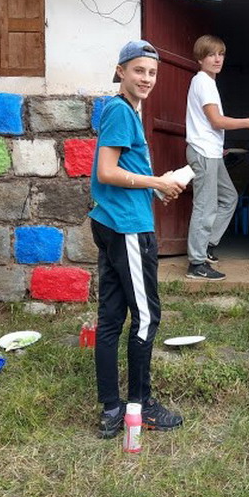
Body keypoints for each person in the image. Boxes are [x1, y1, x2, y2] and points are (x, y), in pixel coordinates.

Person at [90, 40, 185, 438]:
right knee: (146, 317)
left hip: (112, 220)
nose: (147, 78)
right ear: (121, 71)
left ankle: (112, 409)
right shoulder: (119, 111)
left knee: (111, 317)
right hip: (127, 227)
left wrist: (156, 188)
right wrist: (156, 182)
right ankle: (140, 404)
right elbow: (107, 171)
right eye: (139, 70)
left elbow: (123, 168)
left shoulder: (124, 110)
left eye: (152, 72)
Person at [184, 34, 249, 281]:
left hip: (210, 151)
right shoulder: (203, 82)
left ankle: (208, 245)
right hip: (203, 152)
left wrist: (218, 145)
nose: (217, 59)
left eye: (220, 54)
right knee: (205, 206)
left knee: (229, 197)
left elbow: (208, 124)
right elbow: (216, 121)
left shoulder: (207, 82)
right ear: (200, 58)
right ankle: (196, 263)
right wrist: (248, 122)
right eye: (211, 54)